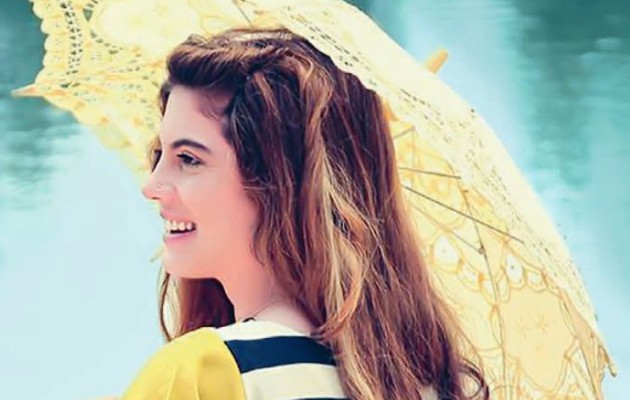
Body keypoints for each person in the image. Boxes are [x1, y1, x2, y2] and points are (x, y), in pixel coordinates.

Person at [121, 28, 488, 400]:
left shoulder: (202, 371)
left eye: (188, 159)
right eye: (159, 155)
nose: (152, 185)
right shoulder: (443, 385)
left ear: (280, 185)